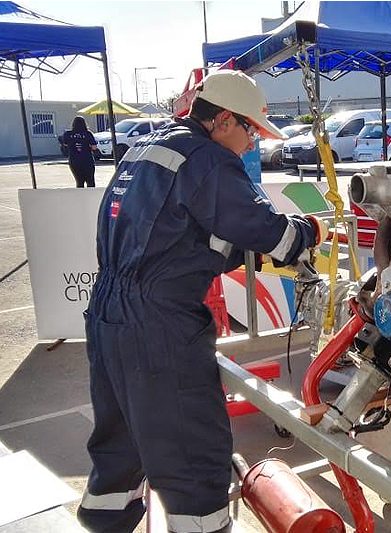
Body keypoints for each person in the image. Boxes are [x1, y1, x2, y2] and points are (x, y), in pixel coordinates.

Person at [77, 70, 324, 533]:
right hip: (159, 325)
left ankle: (104, 520)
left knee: (121, 445)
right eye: (250, 130)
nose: (253, 144)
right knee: (190, 452)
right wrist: (314, 230)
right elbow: (273, 234)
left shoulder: (150, 147)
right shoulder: (207, 159)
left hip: (110, 311)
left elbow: (169, 228)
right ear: (224, 119)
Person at [63, 116, 98, 187]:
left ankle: (80, 197)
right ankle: (91, 196)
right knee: (90, 181)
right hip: (87, 160)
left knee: (79, 182)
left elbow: (65, 144)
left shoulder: (68, 134)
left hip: (74, 160)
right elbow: (94, 147)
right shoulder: (88, 134)